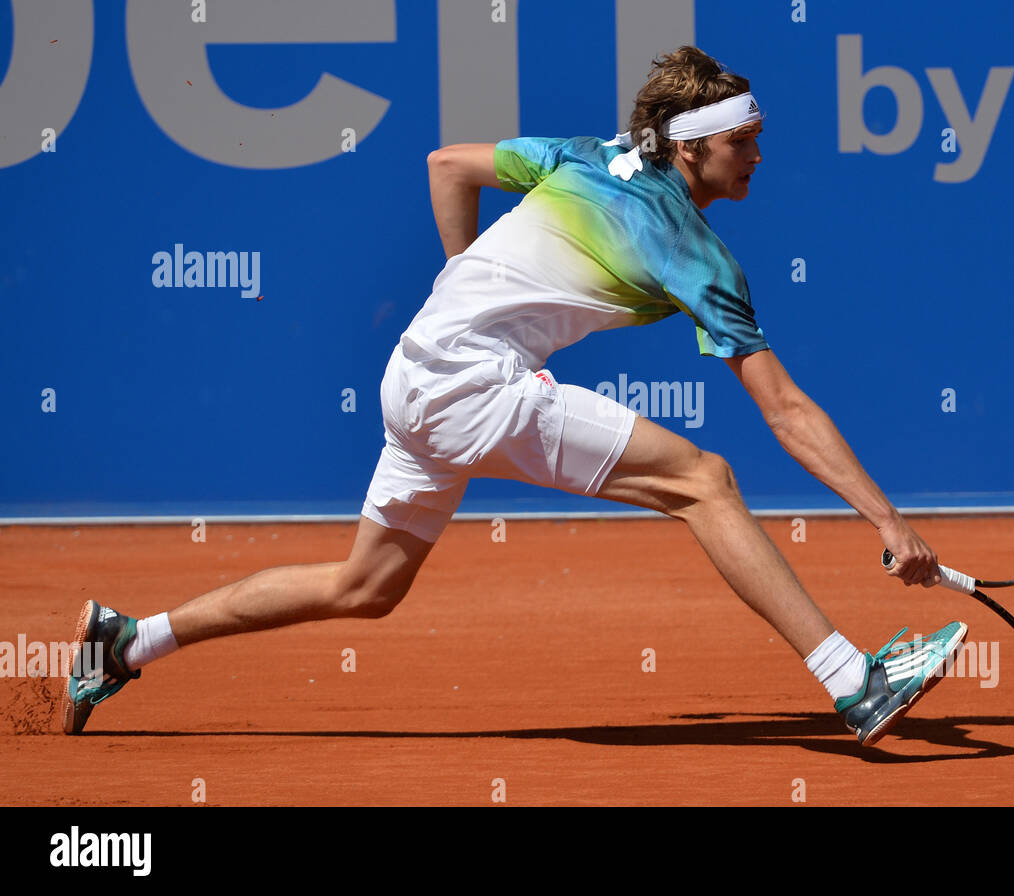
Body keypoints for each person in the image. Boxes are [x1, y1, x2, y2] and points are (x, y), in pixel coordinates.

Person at [62, 46, 966, 748]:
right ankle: (854, 682)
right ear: (692, 145)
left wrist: (463, 289)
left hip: (414, 369)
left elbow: (447, 164)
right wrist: (886, 520)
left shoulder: (586, 157)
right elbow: (787, 410)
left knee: (365, 587)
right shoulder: (695, 253)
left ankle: (126, 642)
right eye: (744, 141)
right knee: (705, 479)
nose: (759, 156)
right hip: (466, 383)